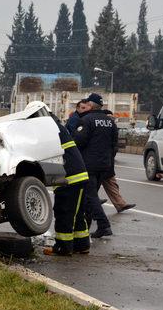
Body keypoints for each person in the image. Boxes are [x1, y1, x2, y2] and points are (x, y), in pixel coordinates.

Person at [22, 102, 90, 256]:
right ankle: (82, 244)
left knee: (64, 212)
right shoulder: (55, 124)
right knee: (77, 214)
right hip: (78, 175)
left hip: (69, 178)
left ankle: (63, 247)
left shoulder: (46, 127)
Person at [72, 93, 116, 238]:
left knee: (90, 197)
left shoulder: (86, 120)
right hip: (105, 165)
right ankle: (87, 226)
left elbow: (78, 142)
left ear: (90, 105)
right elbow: (114, 145)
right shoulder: (110, 122)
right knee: (90, 197)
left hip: (89, 165)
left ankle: (104, 225)